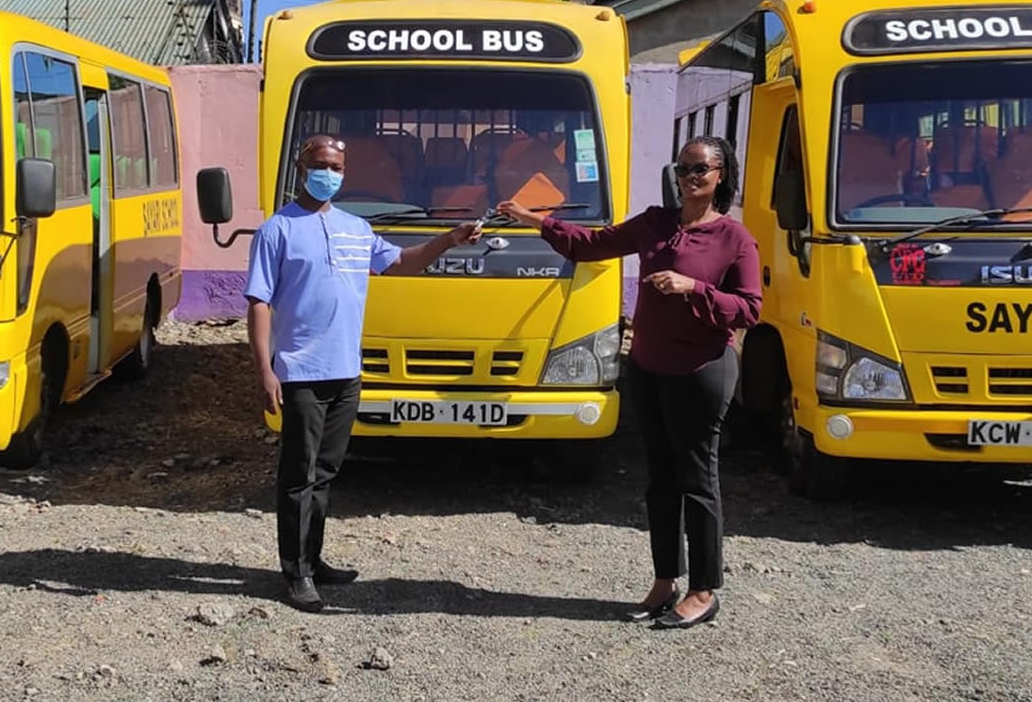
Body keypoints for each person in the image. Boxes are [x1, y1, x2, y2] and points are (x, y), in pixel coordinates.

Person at [497, 136, 761, 629]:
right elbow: (594, 244)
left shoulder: (734, 238)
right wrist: (535, 221)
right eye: (682, 167)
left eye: (700, 168)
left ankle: (704, 590)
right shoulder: (655, 224)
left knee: (697, 481)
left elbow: (749, 308)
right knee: (660, 483)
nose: (689, 176)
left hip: (702, 371)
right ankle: (666, 582)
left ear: (721, 174)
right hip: (648, 368)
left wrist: (695, 288)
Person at [245, 133, 484, 612]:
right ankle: (295, 573)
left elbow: (401, 263)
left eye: (336, 167)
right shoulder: (277, 230)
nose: (329, 174)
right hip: (299, 371)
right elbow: (258, 302)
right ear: (300, 167)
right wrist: (265, 370)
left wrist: (448, 239)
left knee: (327, 471)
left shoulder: (356, 228)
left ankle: (314, 559)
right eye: (321, 164)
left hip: (345, 372)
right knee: (298, 474)